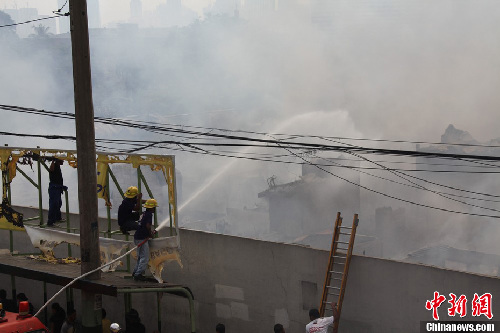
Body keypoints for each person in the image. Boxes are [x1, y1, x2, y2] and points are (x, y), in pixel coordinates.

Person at [132, 199, 157, 281]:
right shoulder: (149, 214)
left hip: (137, 237)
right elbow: (148, 226)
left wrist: (149, 233)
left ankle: (135, 272)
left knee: (140, 257)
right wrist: (150, 234)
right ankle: (138, 274)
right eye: (154, 207)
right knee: (145, 257)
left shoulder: (144, 213)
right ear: (152, 208)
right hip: (142, 238)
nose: (155, 209)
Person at [48, 159, 67, 226]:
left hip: (57, 188)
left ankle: (57, 218)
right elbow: (51, 170)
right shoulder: (54, 165)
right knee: (54, 204)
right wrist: (53, 161)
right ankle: (50, 221)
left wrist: (61, 187)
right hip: (54, 188)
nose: (63, 161)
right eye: (62, 160)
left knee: (58, 203)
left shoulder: (58, 167)